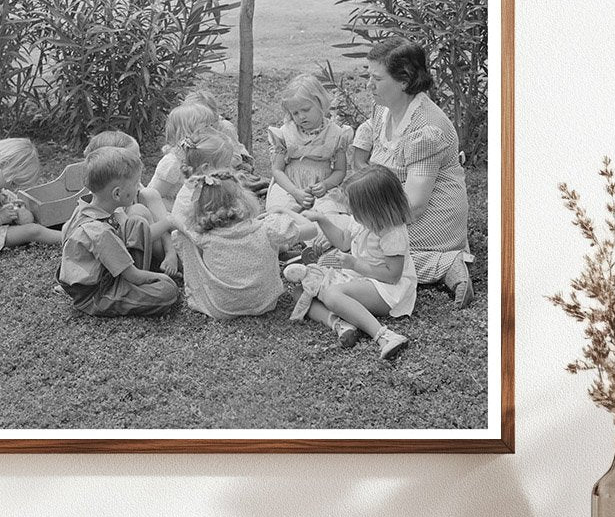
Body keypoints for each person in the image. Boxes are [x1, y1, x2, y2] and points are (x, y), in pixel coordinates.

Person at [352, 37, 473, 307]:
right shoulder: (384, 107)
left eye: (377, 79)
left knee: (370, 248)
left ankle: (447, 263)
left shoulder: (426, 128)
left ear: (404, 82)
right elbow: (370, 134)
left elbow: (415, 204)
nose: (368, 85)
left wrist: (368, 221)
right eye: (368, 76)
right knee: (353, 236)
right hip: (392, 208)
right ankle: (442, 264)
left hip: (429, 217)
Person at [288, 165, 415, 360]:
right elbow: (343, 242)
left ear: (374, 209)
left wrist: (353, 264)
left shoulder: (392, 233)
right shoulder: (361, 220)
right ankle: (340, 323)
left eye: (354, 207)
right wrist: (321, 219)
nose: (350, 211)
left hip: (386, 289)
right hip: (359, 277)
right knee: (301, 292)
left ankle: (384, 335)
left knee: (332, 294)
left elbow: (392, 275)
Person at [56, 146, 179, 317]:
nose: (138, 188)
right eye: (136, 183)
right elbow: (133, 275)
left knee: (137, 223)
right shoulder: (99, 232)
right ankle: (119, 297)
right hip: (98, 291)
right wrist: (161, 278)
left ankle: (137, 284)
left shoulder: (86, 207)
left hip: (109, 269)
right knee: (168, 291)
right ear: (117, 194)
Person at [174, 170, 307, 320]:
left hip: (222, 309)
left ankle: (203, 289)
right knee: (272, 239)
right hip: (265, 303)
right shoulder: (267, 227)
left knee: (182, 236)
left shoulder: (204, 236)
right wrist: (284, 210)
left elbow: (175, 219)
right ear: (243, 199)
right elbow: (312, 230)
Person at [83, 130, 178, 277]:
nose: (140, 165)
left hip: (153, 243)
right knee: (138, 212)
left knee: (150, 194)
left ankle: (173, 253)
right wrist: (169, 221)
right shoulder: (104, 202)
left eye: (138, 159)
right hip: (126, 258)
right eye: (133, 161)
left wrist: (170, 252)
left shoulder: (131, 185)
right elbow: (134, 237)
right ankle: (173, 261)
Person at [266, 74, 350, 219]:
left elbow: (340, 170)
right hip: (290, 186)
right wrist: (294, 191)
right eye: (295, 113)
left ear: (320, 103)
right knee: (280, 211)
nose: (301, 117)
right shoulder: (286, 132)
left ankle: (320, 229)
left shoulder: (336, 134)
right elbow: (277, 170)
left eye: (306, 110)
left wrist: (325, 185)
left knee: (330, 212)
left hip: (321, 188)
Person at [147, 100, 223, 212]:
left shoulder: (199, 156)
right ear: (187, 133)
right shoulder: (173, 163)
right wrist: (181, 212)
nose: (212, 131)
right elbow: (152, 197)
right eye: (206, 128)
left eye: (211, 126)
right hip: (166, 214)